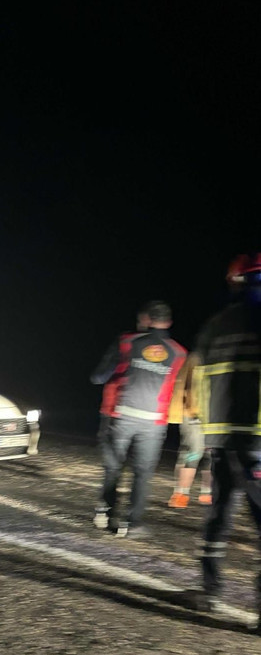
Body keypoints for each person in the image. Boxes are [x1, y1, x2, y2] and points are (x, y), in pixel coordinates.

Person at [194, 253, 261, 631]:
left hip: (219, 440)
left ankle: (209, 592)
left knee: (218, 516)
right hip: (257, 440)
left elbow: (202, 383)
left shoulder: (213, 327)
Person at [91, 300, 187, 537]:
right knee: (143, 474)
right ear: (169, 322)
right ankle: (132, 524)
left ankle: (106, 513)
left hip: (122, 416)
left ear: (146, 320)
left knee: (114, 467)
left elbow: (99, 377)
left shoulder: (126, 342)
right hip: (154, 422)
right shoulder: (179, 353)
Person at [167, 352, 212, 508]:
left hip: (201, 416)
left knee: (205, 454)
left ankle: (206, 493)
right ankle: (181, 494)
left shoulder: (199, 358)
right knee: (194, 453)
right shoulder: (197, 358)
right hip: (194, 415)